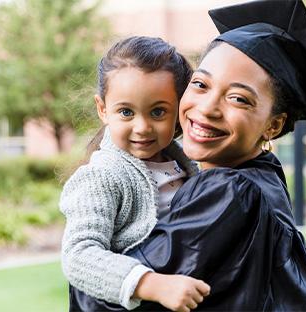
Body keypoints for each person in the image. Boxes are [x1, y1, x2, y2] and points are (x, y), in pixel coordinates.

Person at [70, 0, 306, 311]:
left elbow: (96, 301)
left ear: (273, 124)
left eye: (238, 98)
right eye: (200, 84)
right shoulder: (262, 178)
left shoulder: (231, 192)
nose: (207, 108)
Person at [60, 36, 211, 311]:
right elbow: (78, 256)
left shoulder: (188, 164)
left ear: (179, 108)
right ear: (103, 109)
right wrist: (152, 284)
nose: (142, 127)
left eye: (157, 112)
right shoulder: (101, 177)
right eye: (126, 112)